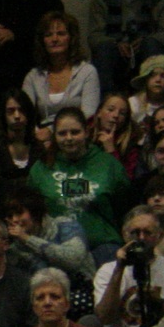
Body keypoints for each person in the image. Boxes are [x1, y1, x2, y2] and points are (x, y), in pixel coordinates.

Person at [30, 108, 127, 257]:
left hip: (102, 244)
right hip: (57, 247)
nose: (69, 138)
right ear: (55, 136)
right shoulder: (41, 168)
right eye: (62, 133)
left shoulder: (108, 164)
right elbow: (32, 211)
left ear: (86, 132)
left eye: (75, 132)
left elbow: (124, 206)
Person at [21, 11, 102, 126]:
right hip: (41, 134)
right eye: (48, 35)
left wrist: (52, 131)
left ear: (71, 38)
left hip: (77, 133)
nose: (54, 39)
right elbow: (24, 116)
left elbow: (89, 117)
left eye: (61, 33)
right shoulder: (33, 76)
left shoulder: (87, 72)